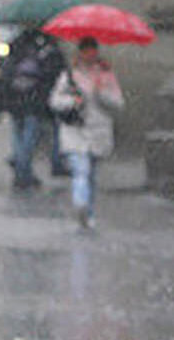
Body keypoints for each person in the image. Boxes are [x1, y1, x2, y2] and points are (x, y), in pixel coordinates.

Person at [48, 37, 124, 229]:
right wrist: (73, 101)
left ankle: (89, 214)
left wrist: (101, 93)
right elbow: (54, 101)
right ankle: (80, 205)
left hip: (98, 131)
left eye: (93, 51)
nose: (90, 55)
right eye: (86, 51)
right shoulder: (69, 74)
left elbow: (119, 103)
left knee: (91, 175)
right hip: (76, 130)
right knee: (81, 170)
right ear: (80, 53)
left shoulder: (106, 74)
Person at [0, 26, 68, 190]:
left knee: (18, 136)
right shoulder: (44, 50)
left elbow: (5, 71)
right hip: (32, 101)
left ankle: (22, 170)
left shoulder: (16, 47)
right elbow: (51, 75)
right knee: (29, 138)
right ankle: (22, 172)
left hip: (15, 98)